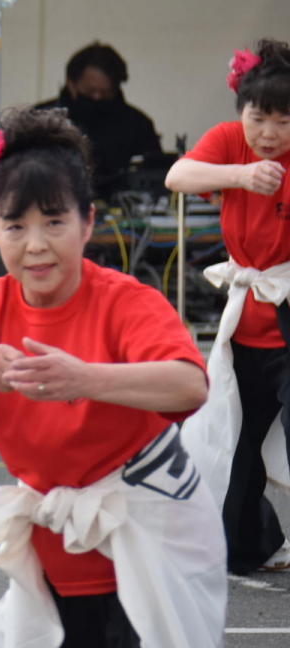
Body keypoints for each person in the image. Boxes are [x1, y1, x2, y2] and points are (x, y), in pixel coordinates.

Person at [0, 108, 225, 648]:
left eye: (54, 222)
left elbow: (189, 385)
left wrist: (85, 379)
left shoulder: (124, 299)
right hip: (58, 547)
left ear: (88, 222)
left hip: (150, 532)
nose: (36, 245)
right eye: (16, 225)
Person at [165, 38, 290, 575]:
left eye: (284, 122)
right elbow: (177, 177)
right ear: (241, 112)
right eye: (258, 117)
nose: (268, 133)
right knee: (235, 442)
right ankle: (245, 544)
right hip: (246, 318)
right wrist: (238, 177)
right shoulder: (227, 144)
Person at [37, 42, 164, 199]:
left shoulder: (137, 124)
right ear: (71, 83)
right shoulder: (41, 119)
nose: (97, 97)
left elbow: (155, 176)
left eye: (105, 93)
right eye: (90, 91)